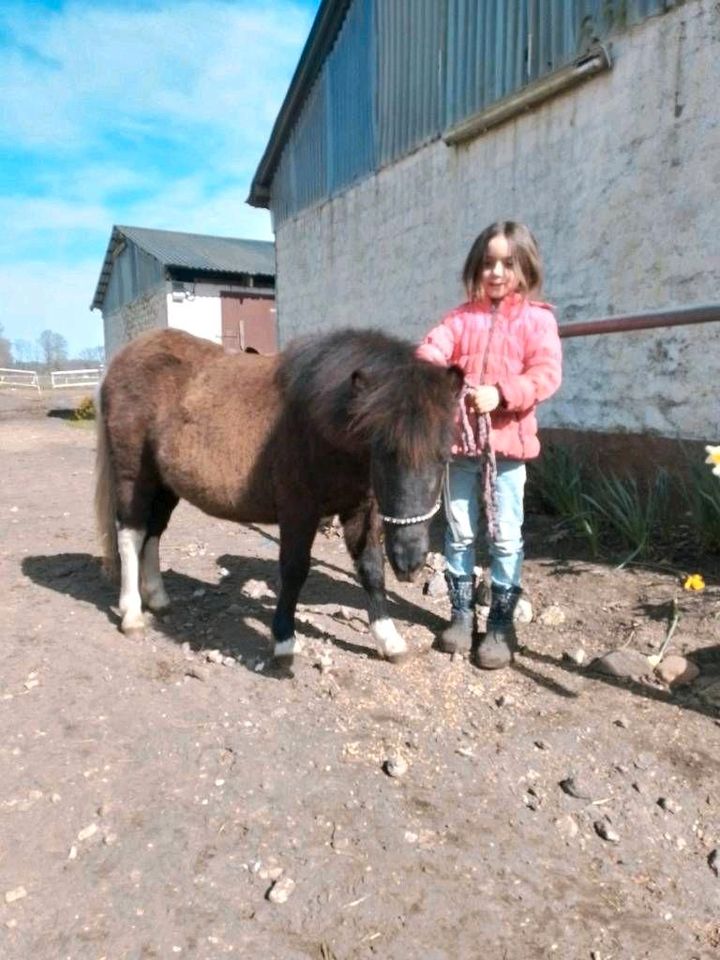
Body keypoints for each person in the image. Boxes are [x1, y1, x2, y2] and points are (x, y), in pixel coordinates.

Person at [417, 221, 562, 669]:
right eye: (488, 263)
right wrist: (427, 371)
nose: (496, 271)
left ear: (524, 267)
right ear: (476, 268)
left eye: (507, 262)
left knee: (505, 537)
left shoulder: (538, 320)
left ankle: (500, 623)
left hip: (508, 452)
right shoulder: (460, 320)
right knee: (458, 533)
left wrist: (501, 393)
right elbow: (432, 348)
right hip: (461, 449)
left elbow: (545, 374)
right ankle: (460, 616)